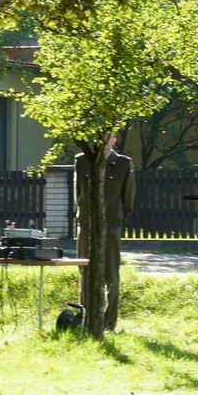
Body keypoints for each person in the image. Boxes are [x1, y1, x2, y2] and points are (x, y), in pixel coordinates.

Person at [75, 134, 136, 332]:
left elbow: (128, 198)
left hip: (110, 225)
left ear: (114, 140)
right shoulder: (82, 161)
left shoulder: (123, 164)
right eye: (99, 136)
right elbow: (79, 193)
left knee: (111, 275)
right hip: (86, 225)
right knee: (85, 272)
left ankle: (109, 322)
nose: (102, 139)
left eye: (107, 136)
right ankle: (86, 318)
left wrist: (117, 219)